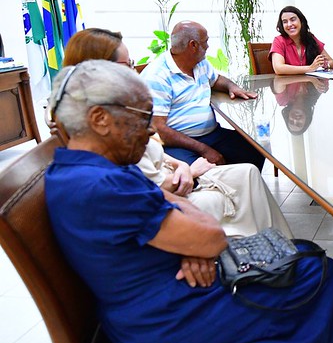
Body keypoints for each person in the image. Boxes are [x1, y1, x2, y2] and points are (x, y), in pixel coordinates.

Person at [45, 61, 333, 343]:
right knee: (318, 270)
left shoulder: (80, 169)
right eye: (143, 117)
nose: (150, 129)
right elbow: (211, 237)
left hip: (148, 307)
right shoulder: (103, 184)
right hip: (169, 321)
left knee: (298, 253)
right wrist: (193, 237)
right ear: (100, 119)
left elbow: (176, 218)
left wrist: (188, 239)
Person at [62, 28, 290, 237]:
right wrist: (191, 169)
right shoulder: (105, 124)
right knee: (241, 188)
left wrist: (232, 87)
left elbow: (149, 144)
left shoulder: (119, 107)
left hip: (177, 162)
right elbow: (139, 194)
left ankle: (280, 246)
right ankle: (260, 248)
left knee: (250, 165)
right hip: (177, 160)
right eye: (127, 65)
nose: (134, 72)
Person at [141, 20, 265, 170]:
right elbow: (159, 129)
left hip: (212, 134)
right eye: (205, 42)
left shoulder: (199, 63)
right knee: (201, 174)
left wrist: (232, 87)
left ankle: (244, 191)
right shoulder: (157, 76)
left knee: (255, 150)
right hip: (176, 144)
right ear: (193, 45)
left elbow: (217, 79)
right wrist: (203, 149)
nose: (207, 46)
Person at [269, 6, 333, 75]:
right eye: (285, 22)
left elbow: (331, 62)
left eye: (293, 20)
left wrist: (323, 65)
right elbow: (279, 68)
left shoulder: (310, 38)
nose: (289, 24)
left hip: (311, 83)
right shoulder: (279, 41)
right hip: (288, 84)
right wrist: (310, 68)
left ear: (301, 21)